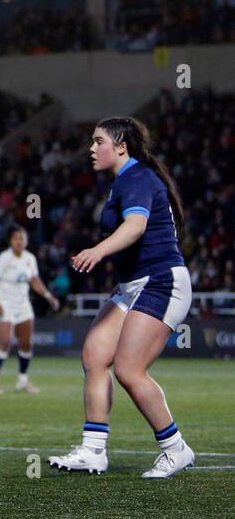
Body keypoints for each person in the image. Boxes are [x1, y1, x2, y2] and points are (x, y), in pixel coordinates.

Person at [48, 117, 196, 478]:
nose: (92, 149)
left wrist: (98, 251)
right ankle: (93, 450)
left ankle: (176, 449)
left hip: (161, 282)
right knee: (95, 355)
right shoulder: (124, 181)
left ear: (121, 146)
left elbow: (136, 226)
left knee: (130, 370)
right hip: (135, 286)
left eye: (99, 141)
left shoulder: (137, 177)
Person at [0, 226, 58, 394]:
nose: (19, 241)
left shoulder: (30, 259)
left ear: (26, 241)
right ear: (11, 241)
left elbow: (34, 281)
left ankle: (23, 381)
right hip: (4, 302)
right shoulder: (3, 258)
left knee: (26, 343)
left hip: (23, 304)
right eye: (16, 238)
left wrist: (49, 296)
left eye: (22, 238)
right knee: (4, 341)